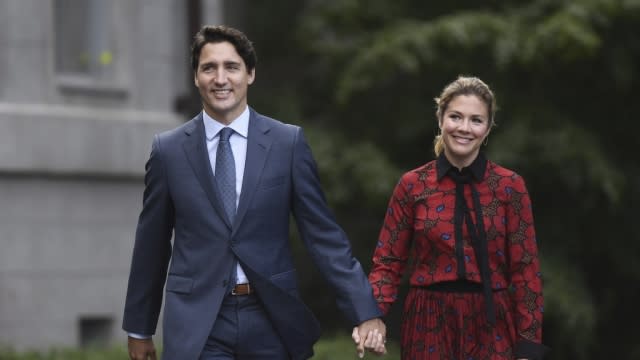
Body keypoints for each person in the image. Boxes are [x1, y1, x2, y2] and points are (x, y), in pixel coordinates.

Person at [122, 25, 386, 360]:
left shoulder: (287, 144)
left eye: (231, 67)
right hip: (200, 322)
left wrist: (364, 311)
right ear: (195, 78)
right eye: (209, 68)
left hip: (270, 317)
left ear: (250, 74)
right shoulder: (168, 151)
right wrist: (139, 328)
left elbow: (323, 236)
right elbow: (152, 245)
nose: (220, 79)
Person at [364, 76, 549, 359]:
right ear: (440, 119)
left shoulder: (510, 186)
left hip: (492, 323)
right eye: (455, 117)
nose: (464, 128)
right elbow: (388, 262)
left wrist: (529, 346)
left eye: (476, 120)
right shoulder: (413, 184)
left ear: (487, 129)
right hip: (427, 322)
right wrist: (371, 316)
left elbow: (526, 271)